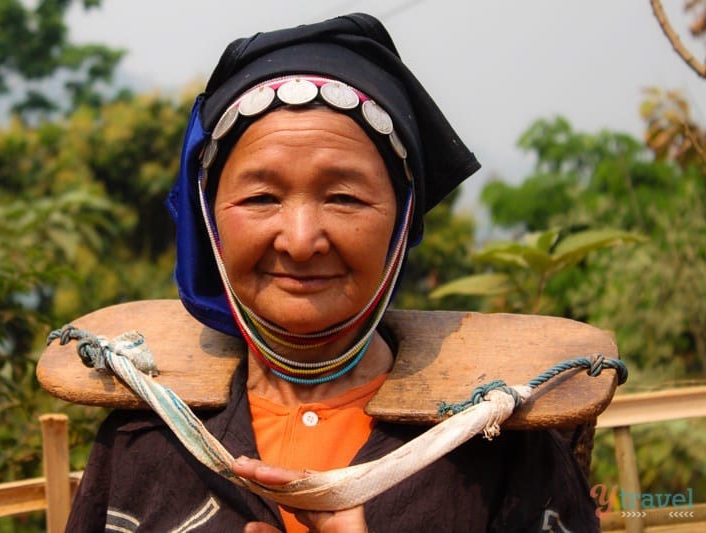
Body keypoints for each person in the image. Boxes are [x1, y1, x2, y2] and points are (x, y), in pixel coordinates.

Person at [65, 13, 598, 532]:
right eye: (261, 197)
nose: (300, 241)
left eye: (343, 197)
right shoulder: (141, 445)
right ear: (210, 222)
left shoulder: (499, 452)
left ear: (401, 219)